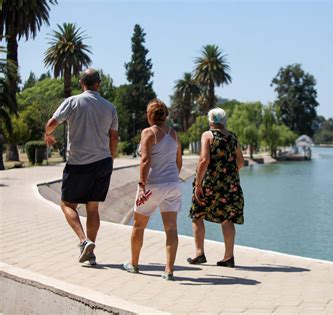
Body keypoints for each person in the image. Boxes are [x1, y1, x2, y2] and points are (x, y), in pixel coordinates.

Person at [44, 68, 119, 266]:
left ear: (81, 83)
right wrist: (111, 159)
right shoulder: (110, 107)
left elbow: (52, 123)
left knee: (67, 205)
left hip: (78, 164)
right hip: (102, 162)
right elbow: (114, 137)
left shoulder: (73, 102)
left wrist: (48, 133)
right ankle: (90, 253)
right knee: (93, 208)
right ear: (99, 83)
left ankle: (83, 241)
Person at [122, 99, 182, 280]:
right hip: (173, 184)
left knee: (139, 225)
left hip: (153, 184)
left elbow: (145, 160)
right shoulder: (174, 134)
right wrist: (170, 179)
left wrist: (142, 182)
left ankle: (133, 264)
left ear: (149, 115)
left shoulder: (148, 132)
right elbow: (179, 162)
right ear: (165, 115)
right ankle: (169, 270)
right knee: (171, 228)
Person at [188, 107, 244, 268]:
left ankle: (199, 253)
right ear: (225, 121)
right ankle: (228, 257)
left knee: (197, 214)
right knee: (227, 218)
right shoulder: (233, 137)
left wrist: (198, 184)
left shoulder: (208, 135)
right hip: (230, 186)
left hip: (209, 185)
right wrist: (228, 175)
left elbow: (204, 160)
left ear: (210, 121)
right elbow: (240, 163)